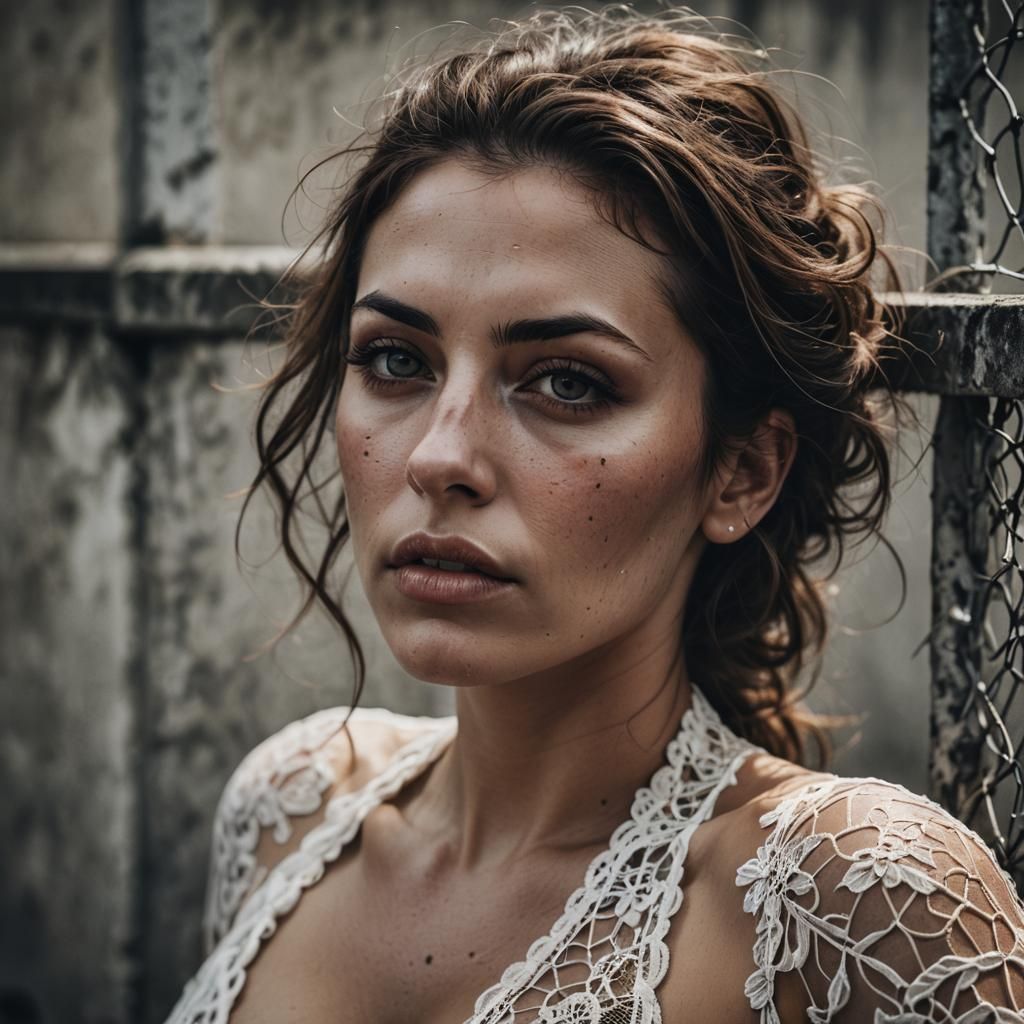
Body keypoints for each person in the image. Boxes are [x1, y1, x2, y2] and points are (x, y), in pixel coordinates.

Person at [165, 8, 1024, 1023]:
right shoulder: (289, 809)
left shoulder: (852, 904)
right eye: (396, 359)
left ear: (740, 471)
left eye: (567, 383)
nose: (441, 455)